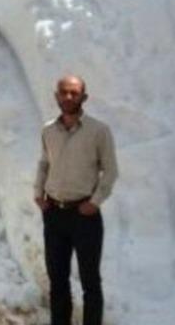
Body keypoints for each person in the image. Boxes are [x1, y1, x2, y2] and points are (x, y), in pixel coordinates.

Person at [34, 75, 118, 325]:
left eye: (74, 93)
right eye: (63, 92)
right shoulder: (48, 130)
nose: (68, 97)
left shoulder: (98, 131)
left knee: (90, 282)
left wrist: (95, 202)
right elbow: (44, 163)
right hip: (54, 214)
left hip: (84, 216)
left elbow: (111, 170)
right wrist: (38, 193)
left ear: (84, 97)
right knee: (57, 282)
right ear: (56, 96)